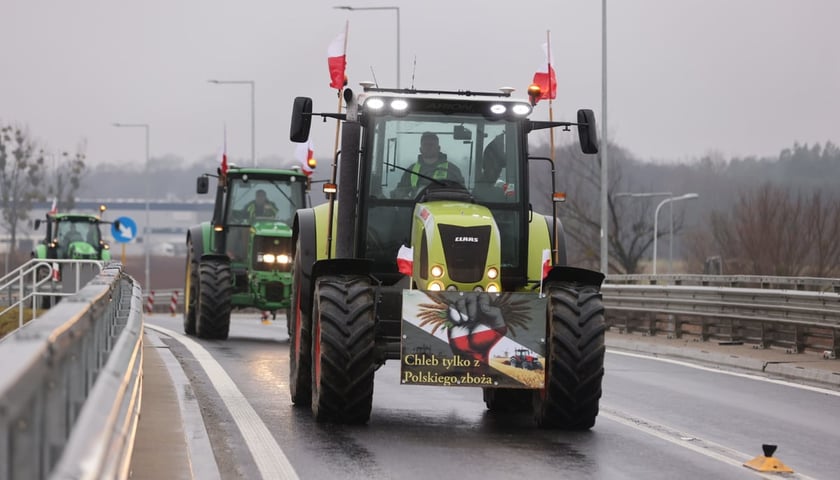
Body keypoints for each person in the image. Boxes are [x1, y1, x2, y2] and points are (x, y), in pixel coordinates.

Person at [393, 132, 465, 197]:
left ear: (438, 148)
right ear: (420, 149)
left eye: (431, 145)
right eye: (425, 145)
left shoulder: (452, 170)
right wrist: (404, 197)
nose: (428, 147)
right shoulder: (411, 170)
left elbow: (462, 193)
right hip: (416, 209)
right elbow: (400, 191)